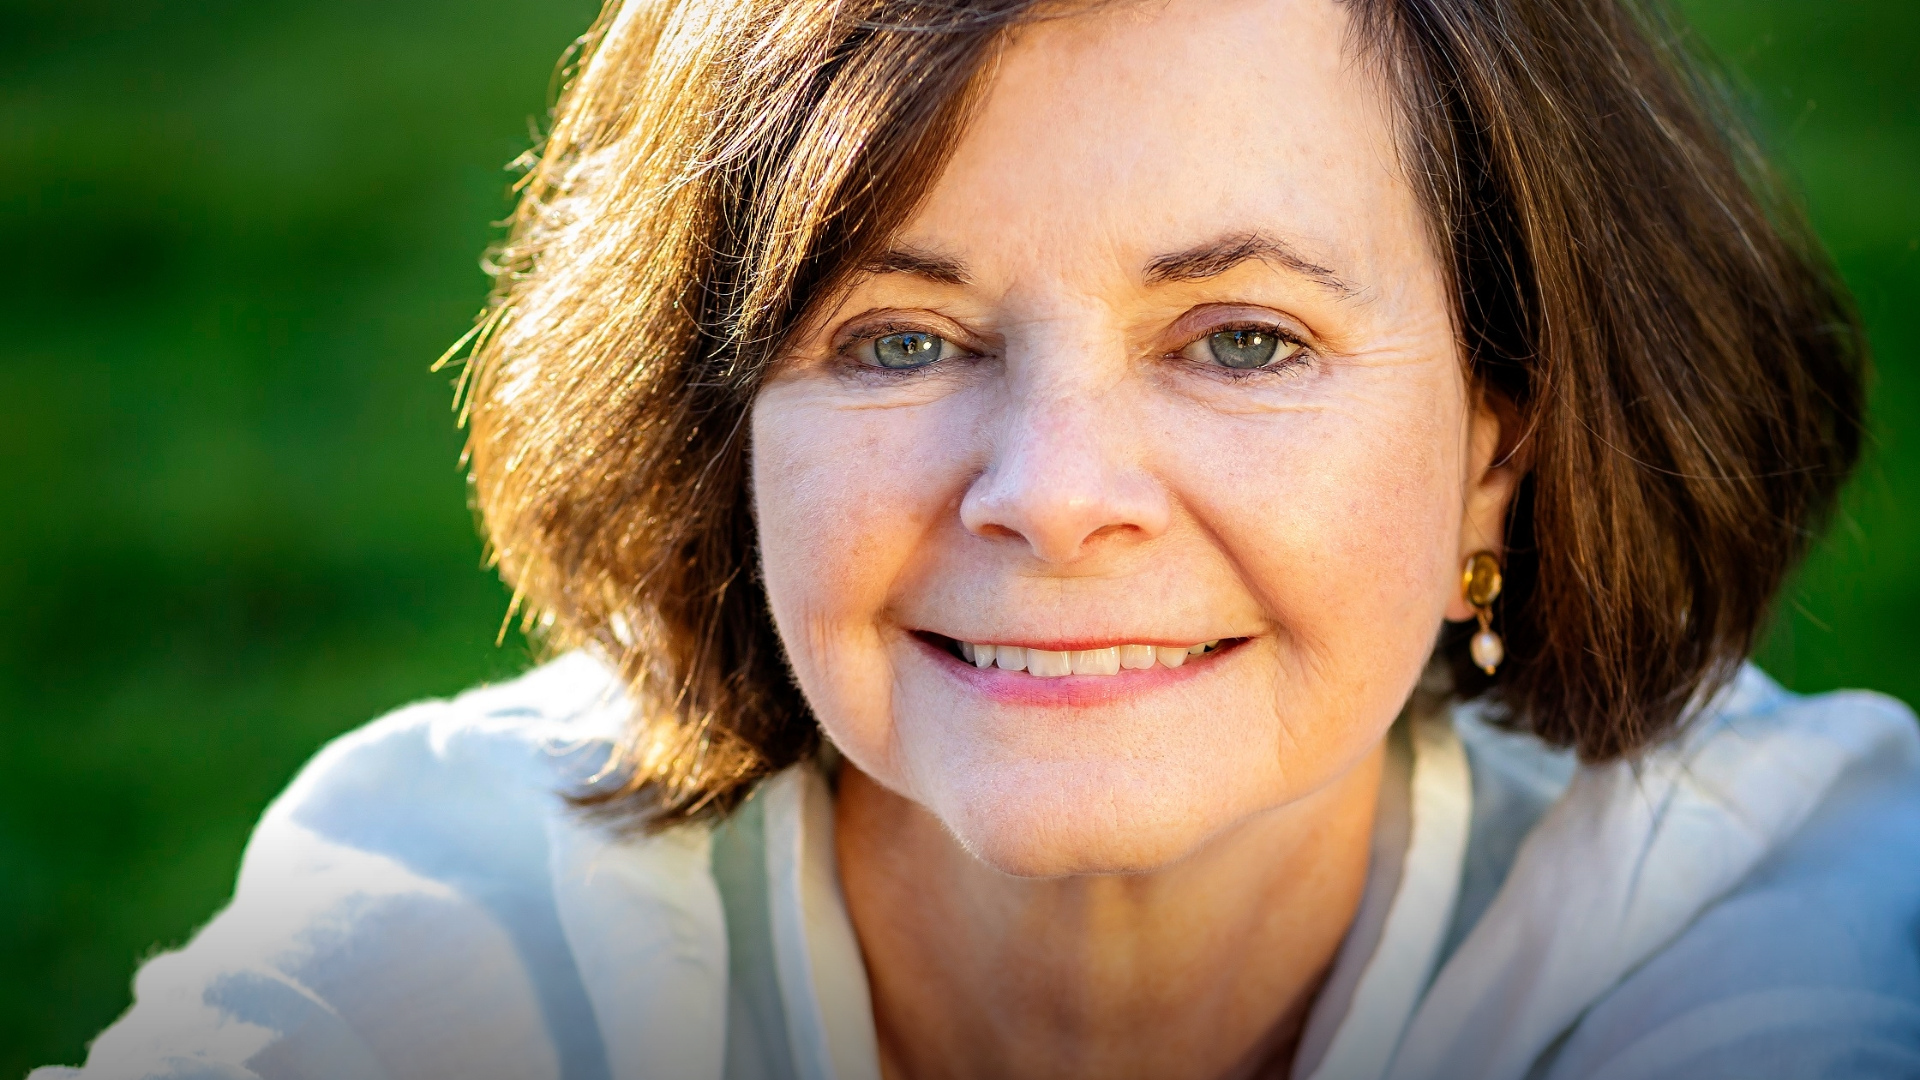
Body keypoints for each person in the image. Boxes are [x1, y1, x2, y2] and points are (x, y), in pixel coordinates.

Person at [38, 0, 1920, 1077]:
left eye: (1243, 339)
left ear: (1497, 450)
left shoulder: (1770, 914)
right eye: (901, 338)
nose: (1049, 487)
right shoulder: (467, 913)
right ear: (727, 425)